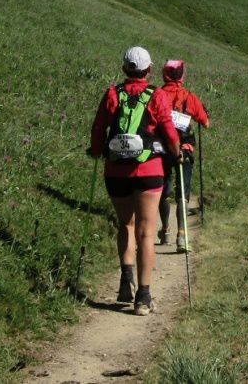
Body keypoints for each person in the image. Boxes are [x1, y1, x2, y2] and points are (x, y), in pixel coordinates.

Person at [89, 46, 181, 315]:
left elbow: (98, 128)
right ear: (149, 70)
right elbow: (168, 130)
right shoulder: (157, 96)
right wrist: (177, 155)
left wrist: (96, 151)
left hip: (115, 171)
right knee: (146, 232)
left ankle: (124, 282)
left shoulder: (112, 94)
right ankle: (143, 296)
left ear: (124, 69)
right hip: (149, 170)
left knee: (125, 225)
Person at [157, 59, 210, 251]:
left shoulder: (157, 94)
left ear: (165, 74)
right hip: (185, 149)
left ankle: (165, 230)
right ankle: (181, 235)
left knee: (163, 190)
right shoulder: (189, 97)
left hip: (161, 149)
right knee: (183, 192)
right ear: (182, 75)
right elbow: (205, 123)